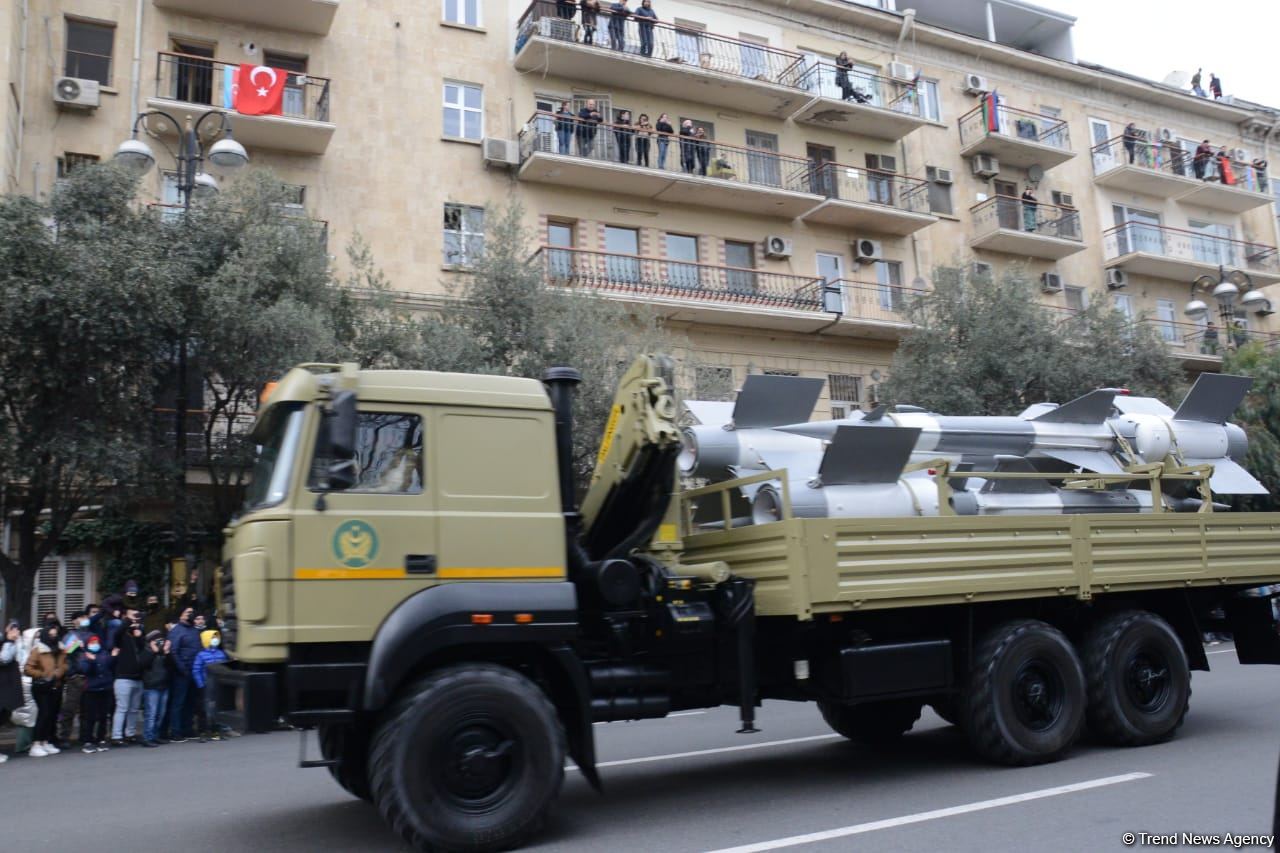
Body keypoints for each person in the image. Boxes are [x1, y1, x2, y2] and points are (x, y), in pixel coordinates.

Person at [24, 624, 68, 758]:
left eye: (55, 635)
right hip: (42, 687)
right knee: (44, 714)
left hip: (57, 685)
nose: (53, 637)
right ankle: (36, 744)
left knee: (52, 715)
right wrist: (44, 674)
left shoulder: (61, 649)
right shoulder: (38, 650)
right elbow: (27, 668)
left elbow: (65, 664)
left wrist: (59, 672)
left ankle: (45, 741)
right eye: (51, 635)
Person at [57, 608, 92, 748]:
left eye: (84, 617)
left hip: (89, 676)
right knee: (69, 709)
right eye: (80, 617)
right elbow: (66, 651)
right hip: (75, 677)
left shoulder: (91, 634)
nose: (83, 619)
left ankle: (85, 736)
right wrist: (77, 645)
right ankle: (64, 737)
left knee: (87, 710)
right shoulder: (70, 635)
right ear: (74, 621)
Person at [166, 605, 201, 742]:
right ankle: (176, 731)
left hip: (194, 672)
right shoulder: (176, 631)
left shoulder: (194, 630)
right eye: (188, 612)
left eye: (193, 612)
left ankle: (188, 728)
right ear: (181, 615)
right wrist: (183, 669)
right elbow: (173, 652)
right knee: (178, 702)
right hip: (182, 673)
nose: (191, 614)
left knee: (190, 702)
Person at [110, 611, 145, 746]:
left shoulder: (138, 636)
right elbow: (117, 633)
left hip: (138, 677)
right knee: (122, 708)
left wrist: (138, 636)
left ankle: (130, 734)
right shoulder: (122, 637)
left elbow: (142, 650)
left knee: (134, 709)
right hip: (123, 677)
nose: (135, 622)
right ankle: (116, 736)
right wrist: (127, 621)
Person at [77, 634, 113, 753]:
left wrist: (97, 659)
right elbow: (85, 670)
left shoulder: (104, 653)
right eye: (92, 643)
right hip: (91, 689)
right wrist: (91, 661)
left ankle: (101, 739)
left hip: (105, 688)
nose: (94, 644)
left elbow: (108, 666)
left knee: (103, 716)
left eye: (96, 642)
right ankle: (88, 741)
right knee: (90, 717)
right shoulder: (84, 655)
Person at [193, 629, 229, 742]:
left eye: (216, 637)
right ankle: (203, 732)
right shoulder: (201, 655)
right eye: (213, 637)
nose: (215, 640)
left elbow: (225, 668)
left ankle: (216, 731)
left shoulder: (221, 653)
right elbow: (196, 670)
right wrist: (200, 685)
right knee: (204, 710)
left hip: (218, 685)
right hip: (206, 684)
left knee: (217, 709)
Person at [0, 620, 28, 763]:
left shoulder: (18, 642)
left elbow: (23, 659)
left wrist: (17, 642)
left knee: (6, 713)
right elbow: (4, 659)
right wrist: (9, 641)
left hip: (11, 683)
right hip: (3, 684)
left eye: (17, 629)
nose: (16, 632)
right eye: (13, 629)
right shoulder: (5, 642)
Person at [139, 630, 172, 747]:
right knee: (151, 714)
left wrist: (167, 653)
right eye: (158, 639)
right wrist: (152, 652)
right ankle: (147, 737)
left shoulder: (164, 653)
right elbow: (142, 665)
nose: (161, 642)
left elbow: (171, 666)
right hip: (152, 686)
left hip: (164, 685)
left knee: (160, 713)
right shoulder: (146, 651)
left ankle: (155, 735)